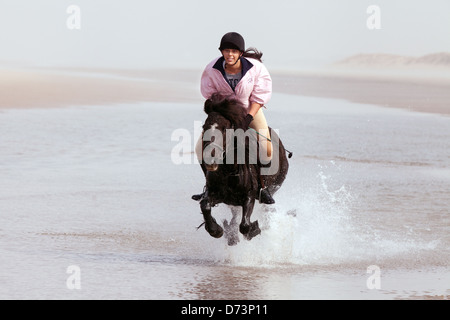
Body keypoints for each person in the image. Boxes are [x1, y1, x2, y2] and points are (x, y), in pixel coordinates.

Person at [193, 32, 275, 204]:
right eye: (226, 50)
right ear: (222, 52)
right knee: (200, 149)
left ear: (241, 53)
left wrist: (248, 117)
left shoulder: (256, 68)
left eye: (234, 51)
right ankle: (209, 188)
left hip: (249, 109)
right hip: (224, 113)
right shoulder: (211, 69)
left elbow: (259, 97)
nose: (230, 54)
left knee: (267, 150)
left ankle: (261, 187)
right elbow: (209, 95)